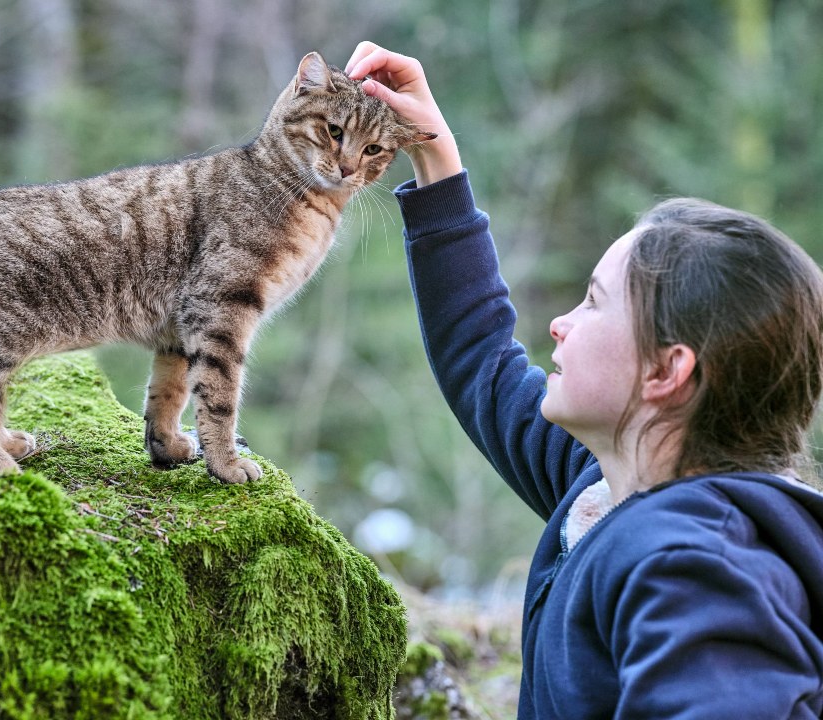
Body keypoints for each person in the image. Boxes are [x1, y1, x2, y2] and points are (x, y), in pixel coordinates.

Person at [345, 40, 823, 717]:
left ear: (666, 370)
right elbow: (480, 357)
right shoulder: (609, 488)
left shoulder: (694, 564)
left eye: (595, 302)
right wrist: (433, 154)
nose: (562, 324)